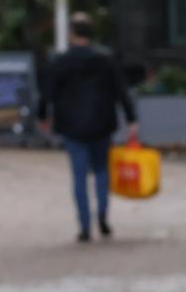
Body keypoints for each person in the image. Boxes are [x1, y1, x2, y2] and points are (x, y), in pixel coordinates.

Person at [37, 13, 138, 243]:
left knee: (79, 176)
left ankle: (84, 225)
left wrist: (42, 114)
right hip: (102, 122)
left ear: (72, 34)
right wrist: (131, 119)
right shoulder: (106, 59)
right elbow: (121, 90)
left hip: (72, 125)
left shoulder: (60, 62)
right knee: (102, 171)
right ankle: (102, 215)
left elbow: (47, 92)